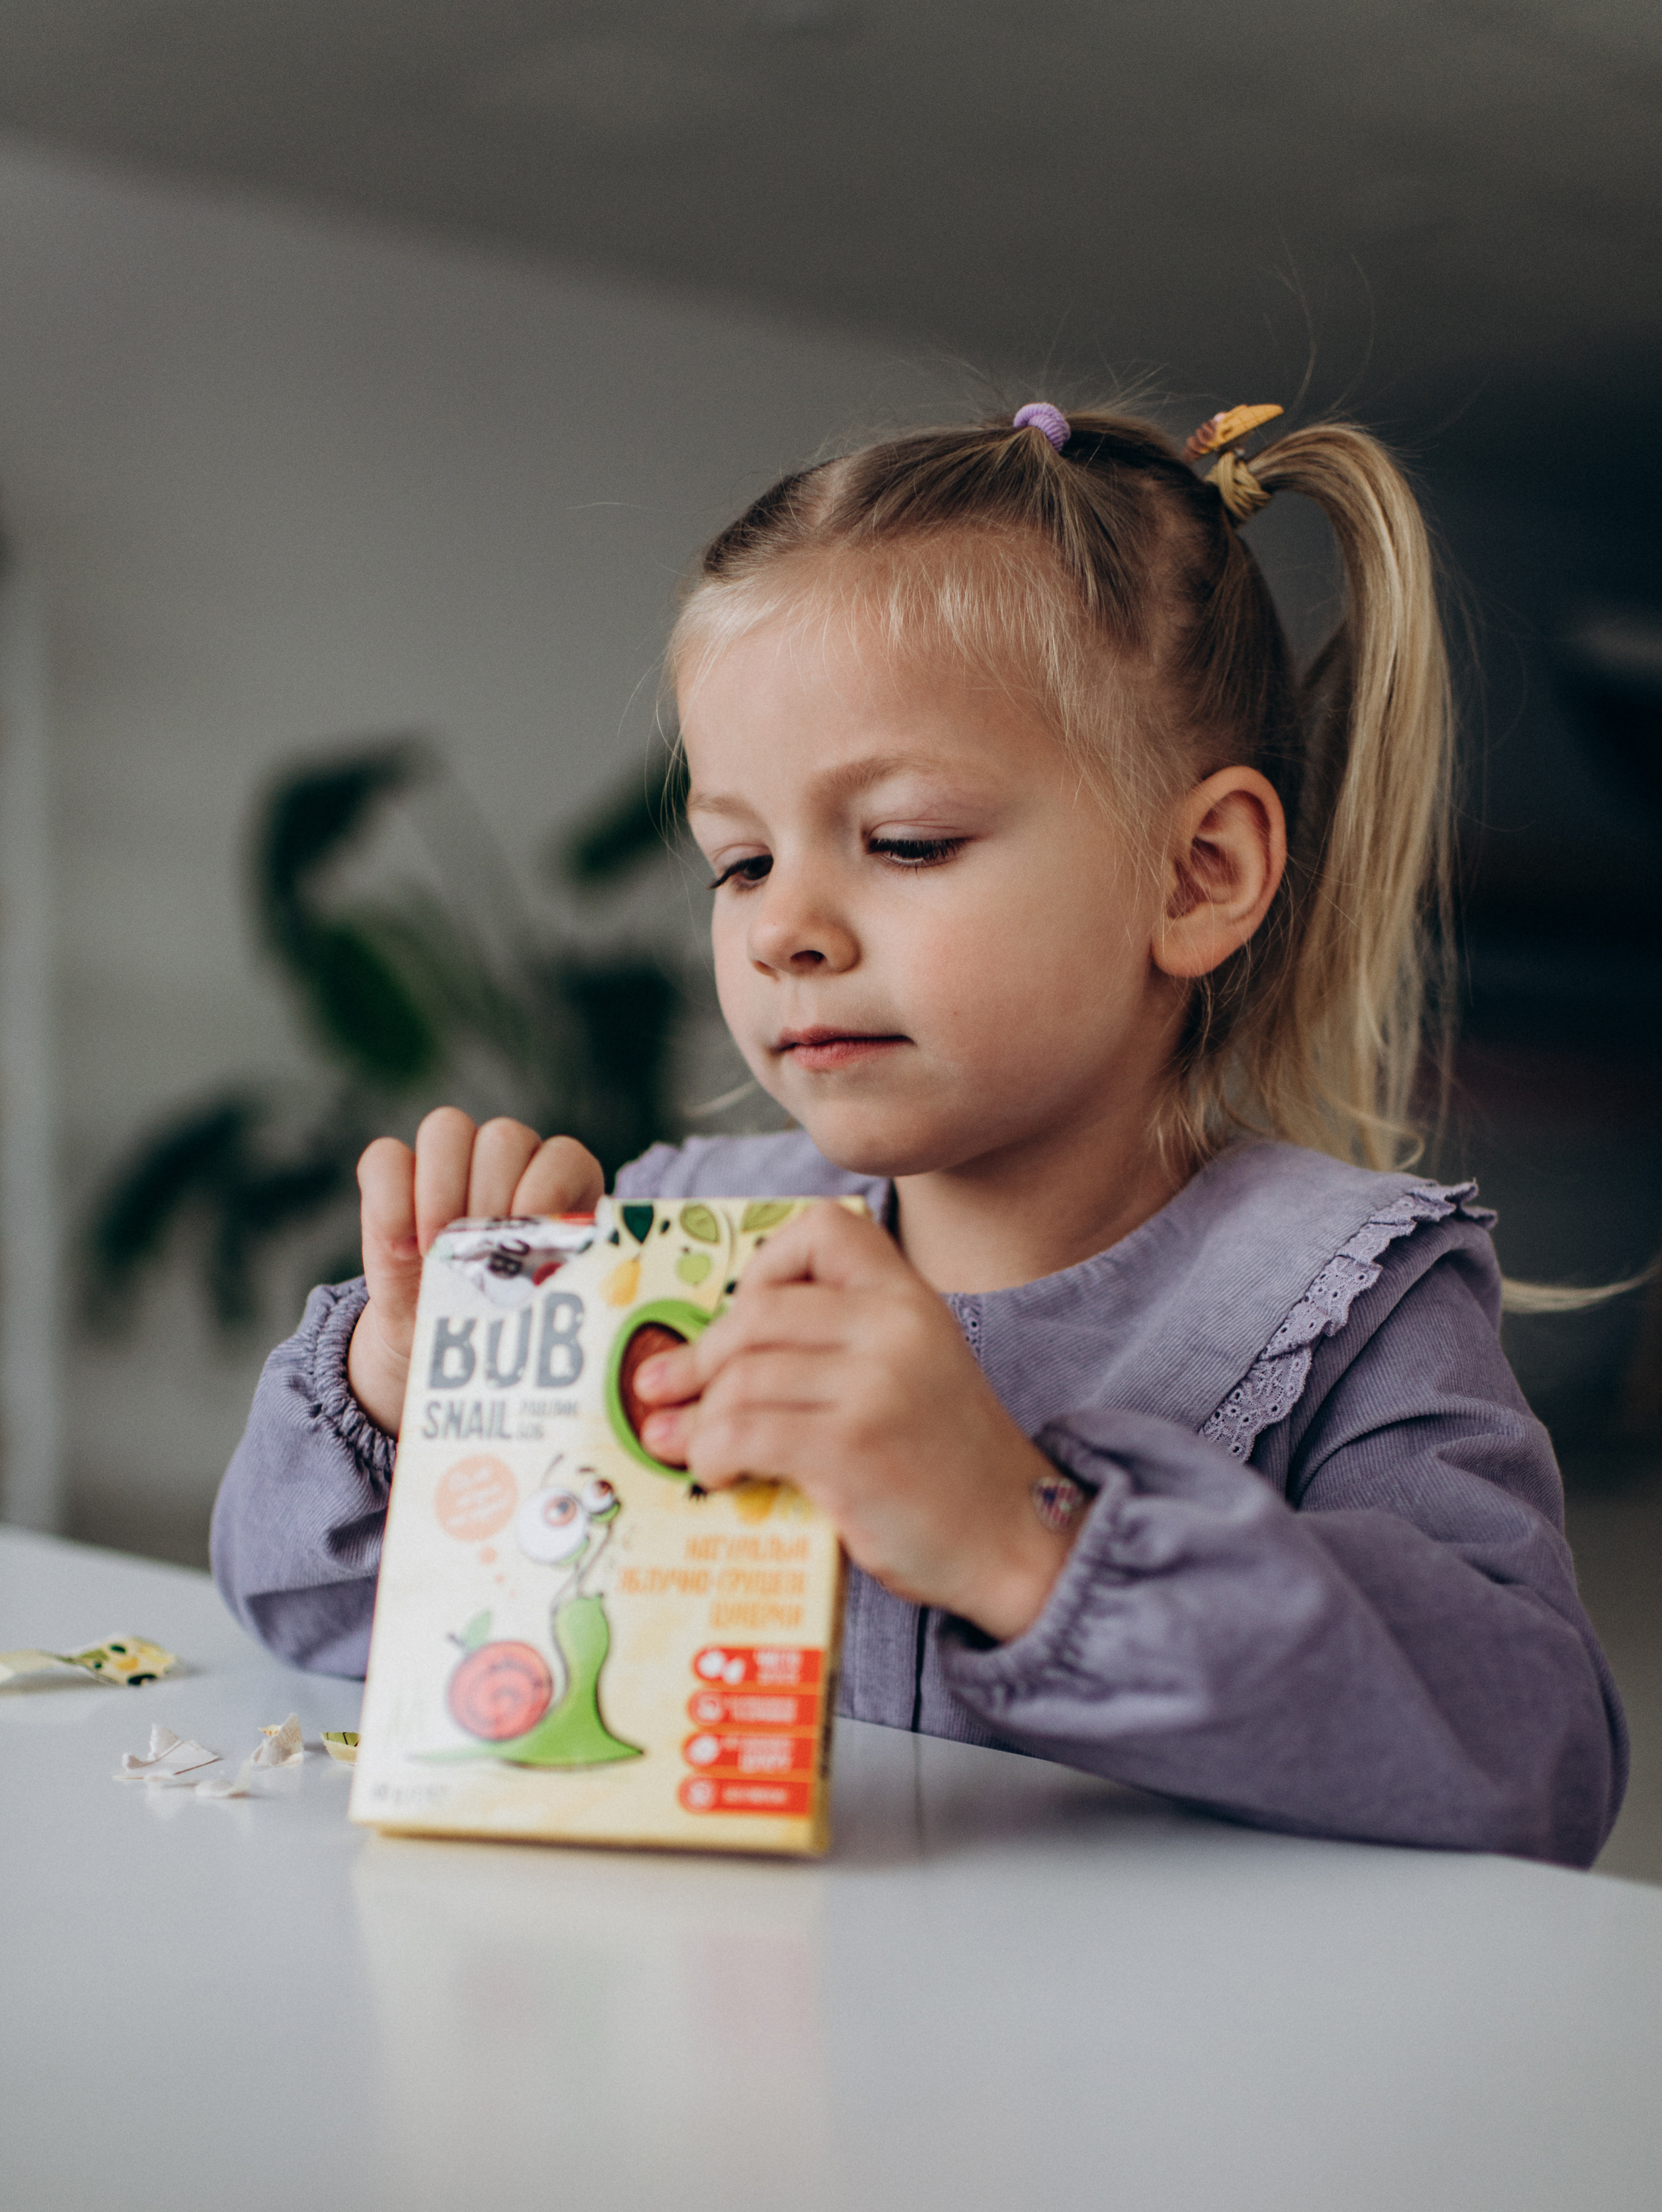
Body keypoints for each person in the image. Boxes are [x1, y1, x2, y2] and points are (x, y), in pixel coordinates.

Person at [212, 396, 1626, 1866]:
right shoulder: (676, 1239)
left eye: (904, 842)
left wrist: (1029, 1537)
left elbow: (1538, 1762)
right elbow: (304, 1625)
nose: (785, 930)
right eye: (739, 861)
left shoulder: (1343, 1295)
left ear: (1201, 873)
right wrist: (406, 1405)